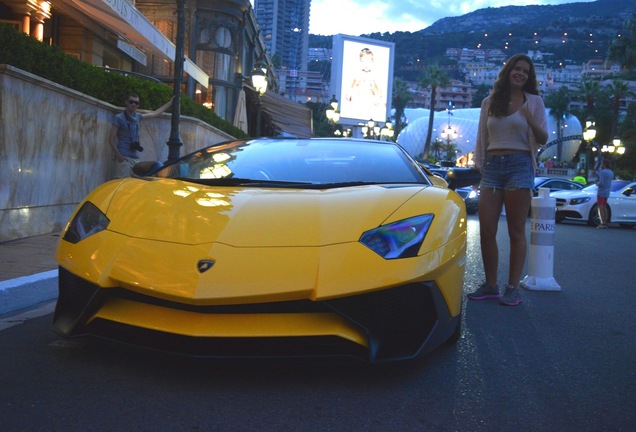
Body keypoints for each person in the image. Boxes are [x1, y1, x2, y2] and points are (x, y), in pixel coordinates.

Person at [468, 53, 548, 306]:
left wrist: (529, 116)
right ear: (508, 71)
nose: (521, 74)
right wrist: (480, 167)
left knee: (516, 230)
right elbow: (482, 137)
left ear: (529, 77)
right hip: (492, 166)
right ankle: (490, 285)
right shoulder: (489, 102)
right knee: (487, 229)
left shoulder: (534, 102)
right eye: (517, 69)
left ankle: (512, 287)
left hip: (520, 165)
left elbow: (543, 138)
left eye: (526, 71)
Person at [109, 93, 173, 178]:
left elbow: (154, 114)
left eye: (136, 103)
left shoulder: (137, 117)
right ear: (126, 103)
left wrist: (170, 103)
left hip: (135, 158)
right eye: (131, 102)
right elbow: (110, 139)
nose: (133, 104)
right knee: (121, 186)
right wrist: (119, 156)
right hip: (123, 158)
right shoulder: (119, 118)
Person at [595, 159, 614, 229]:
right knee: (604, 206)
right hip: (607, 191)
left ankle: (602, 222)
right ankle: (605, 221)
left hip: (601, 191)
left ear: (604, 164)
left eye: (602, 164)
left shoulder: (603, 172)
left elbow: (601, 183)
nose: (601, 165)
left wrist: (597, 183)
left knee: (600, 207)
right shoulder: (611, 172)